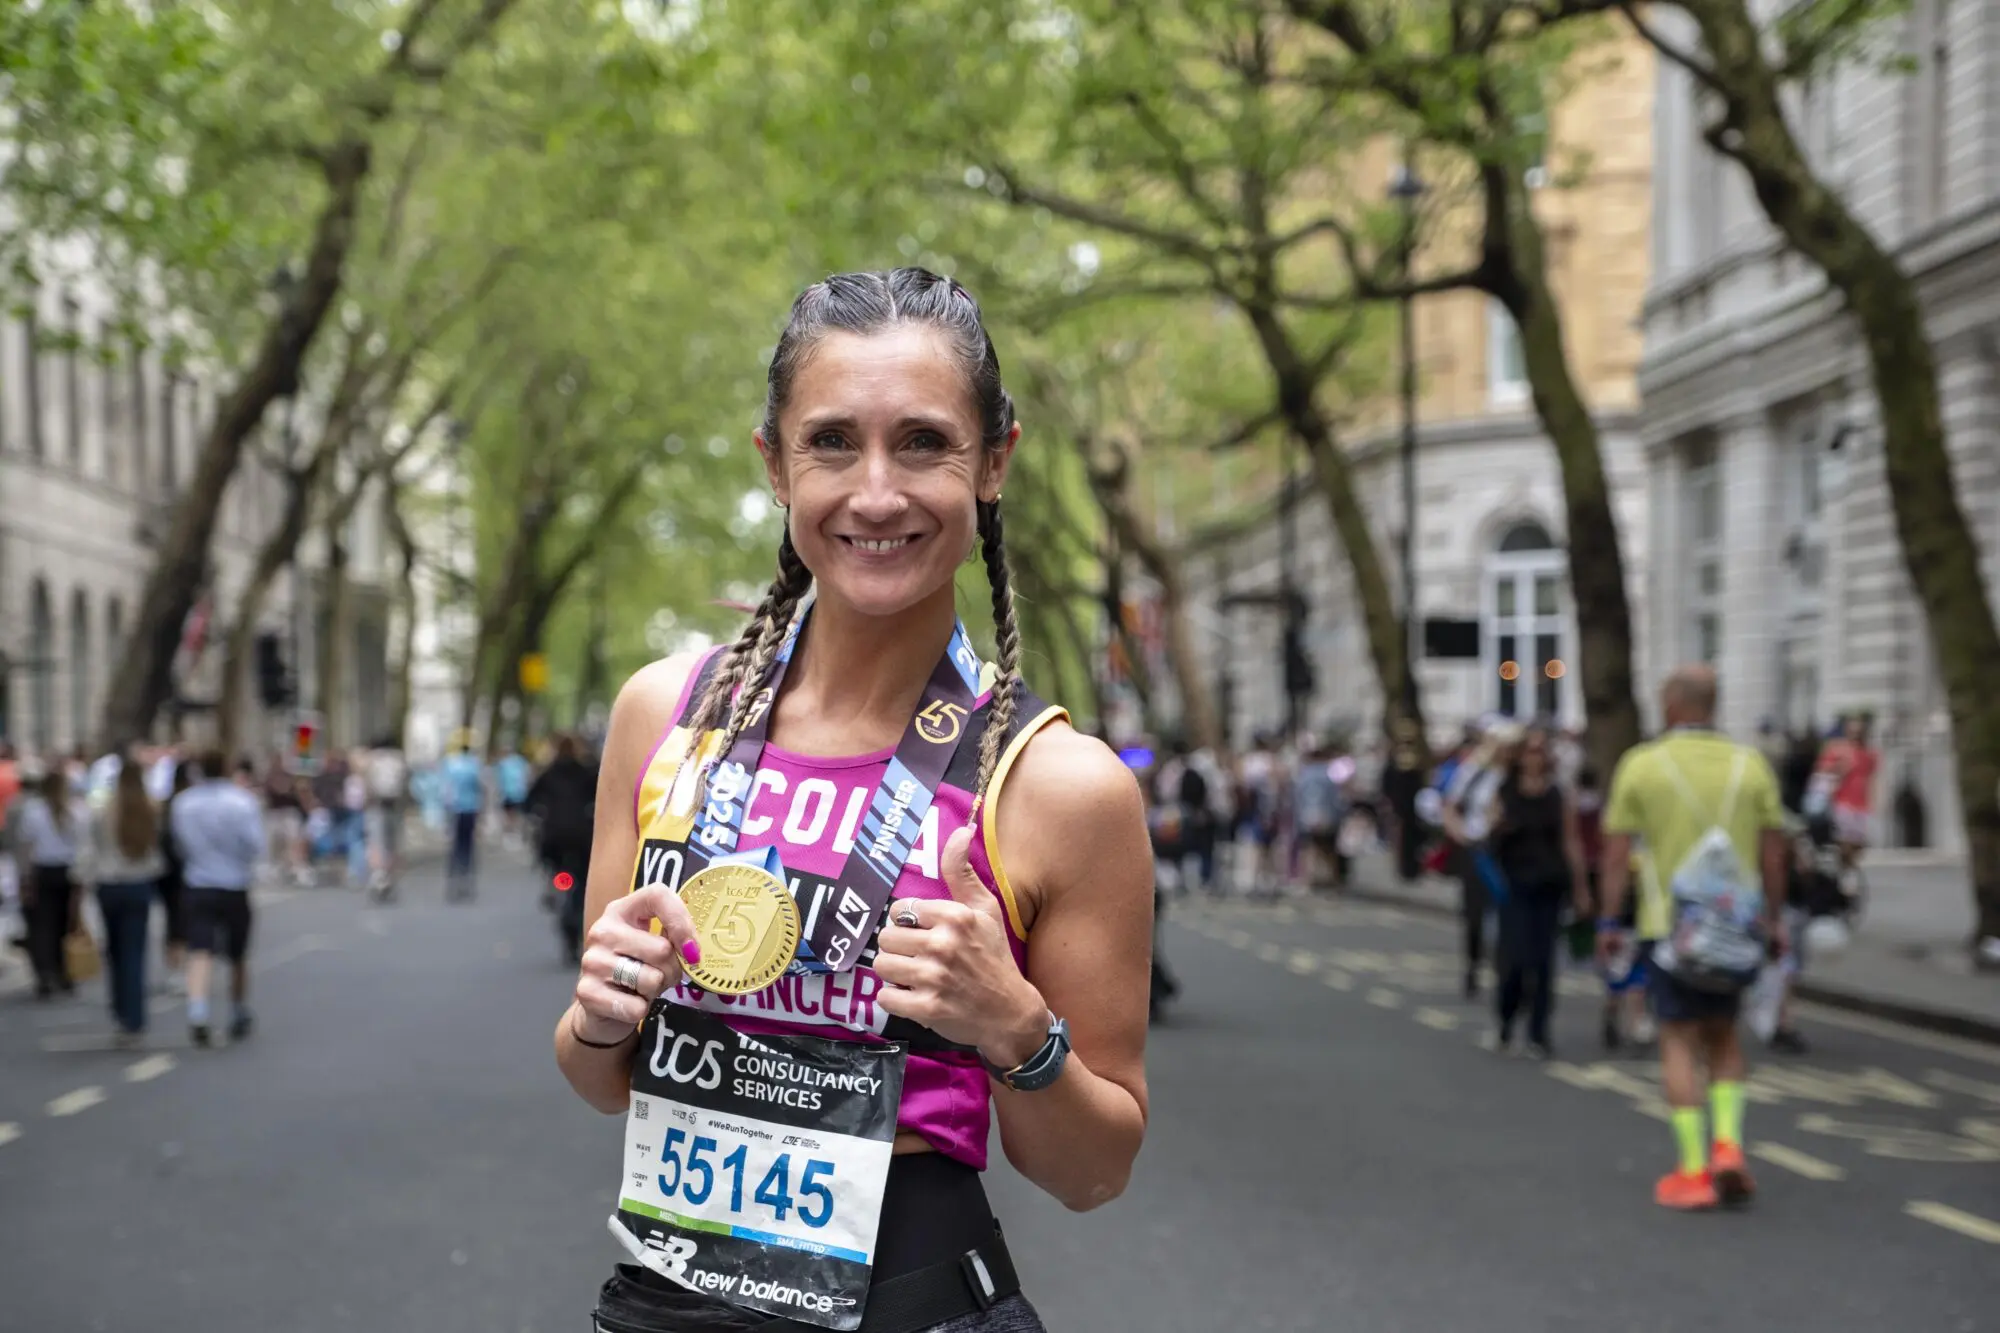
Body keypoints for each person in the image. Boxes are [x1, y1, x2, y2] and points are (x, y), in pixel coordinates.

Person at [556, 269, 1151, 1332]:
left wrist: (1013, 1028)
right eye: (831, 442)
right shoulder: (665, 715)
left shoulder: (1060, 786)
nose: (876, 492)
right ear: (775, 465)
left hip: (909, 1302)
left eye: (923, 442)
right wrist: (601, 1015)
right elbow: (602, 1078)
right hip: (666, 1303)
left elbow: (1092, 1171)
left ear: (995, 462)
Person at [1598, 666, 1788, 1211]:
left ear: (1674, 706)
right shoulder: (1750, 765)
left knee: (1678, 1040)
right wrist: (1773, 919)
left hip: (1670, 929)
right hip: (1735, 929)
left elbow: (1616, 855)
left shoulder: (1642, 765)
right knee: (1725, 1039)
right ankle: (1729, 1147)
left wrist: (1611, 922)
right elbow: (1774, 854)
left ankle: (1692, 1169)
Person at [1480, 726, 1589, 1059]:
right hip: (1514, 885)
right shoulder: (1504, 791)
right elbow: (1488, 833)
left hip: (1548, 884)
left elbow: (1571, 842)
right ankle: (1506, 1020)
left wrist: (1582, 888)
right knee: (1514, 959)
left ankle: (1539, 1032)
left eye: (1541, 751)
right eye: (1530, 750)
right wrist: (1495, 825)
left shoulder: (1558, 794)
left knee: (1543, 962)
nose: (1536, 757)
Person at [172, 748, 267, 1047]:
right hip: (234, 883)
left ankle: (198, 1011)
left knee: (201, 950)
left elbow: (179, 844)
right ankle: (238, 1008)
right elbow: (254, 844)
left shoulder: (184, 803)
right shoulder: (241, 802)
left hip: (198, 882)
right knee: (237, 954)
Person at [89, 758, 166, 1046]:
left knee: (114, 950)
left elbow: (91, 849)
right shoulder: (150, 809)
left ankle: (121, 1010)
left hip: (109, 885)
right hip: (138, 884)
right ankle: (135, 1016)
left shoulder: (103, 810)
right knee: (135, 951)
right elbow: (157, 852)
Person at [14, 766, 86, 999]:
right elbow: (82, 847)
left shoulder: (33, 811)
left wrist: (24, 878)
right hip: (68, 872)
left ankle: (45, 972)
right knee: (64, 923)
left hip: (42, 871)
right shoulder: (75, 811)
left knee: (42, 924)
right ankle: (63, 971)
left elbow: (26, 847)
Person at [526, 733, 597, 962]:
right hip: (581, 837)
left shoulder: (548, 773)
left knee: (554, 867)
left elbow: (530, 801)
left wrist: (539, 811)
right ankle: (574, 911)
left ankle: (554, 886)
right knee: (581, 881)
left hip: (554, 838)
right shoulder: (586, 772)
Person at [157, 759, 195, 990]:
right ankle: (182, 965)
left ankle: (175, 966)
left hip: (169, 869)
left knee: (173, 918)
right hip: (184, 868)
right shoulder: (187, 803)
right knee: (183, 918)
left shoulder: (168, 803)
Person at [440, 739, 485, 901]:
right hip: (471, 808)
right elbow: (481, 787)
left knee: (454, 846)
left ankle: (453, 878)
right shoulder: (475, 764)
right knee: (468, 845)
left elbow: (445, 788)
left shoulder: (450, 764)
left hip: (455, 809)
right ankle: (466, 878)